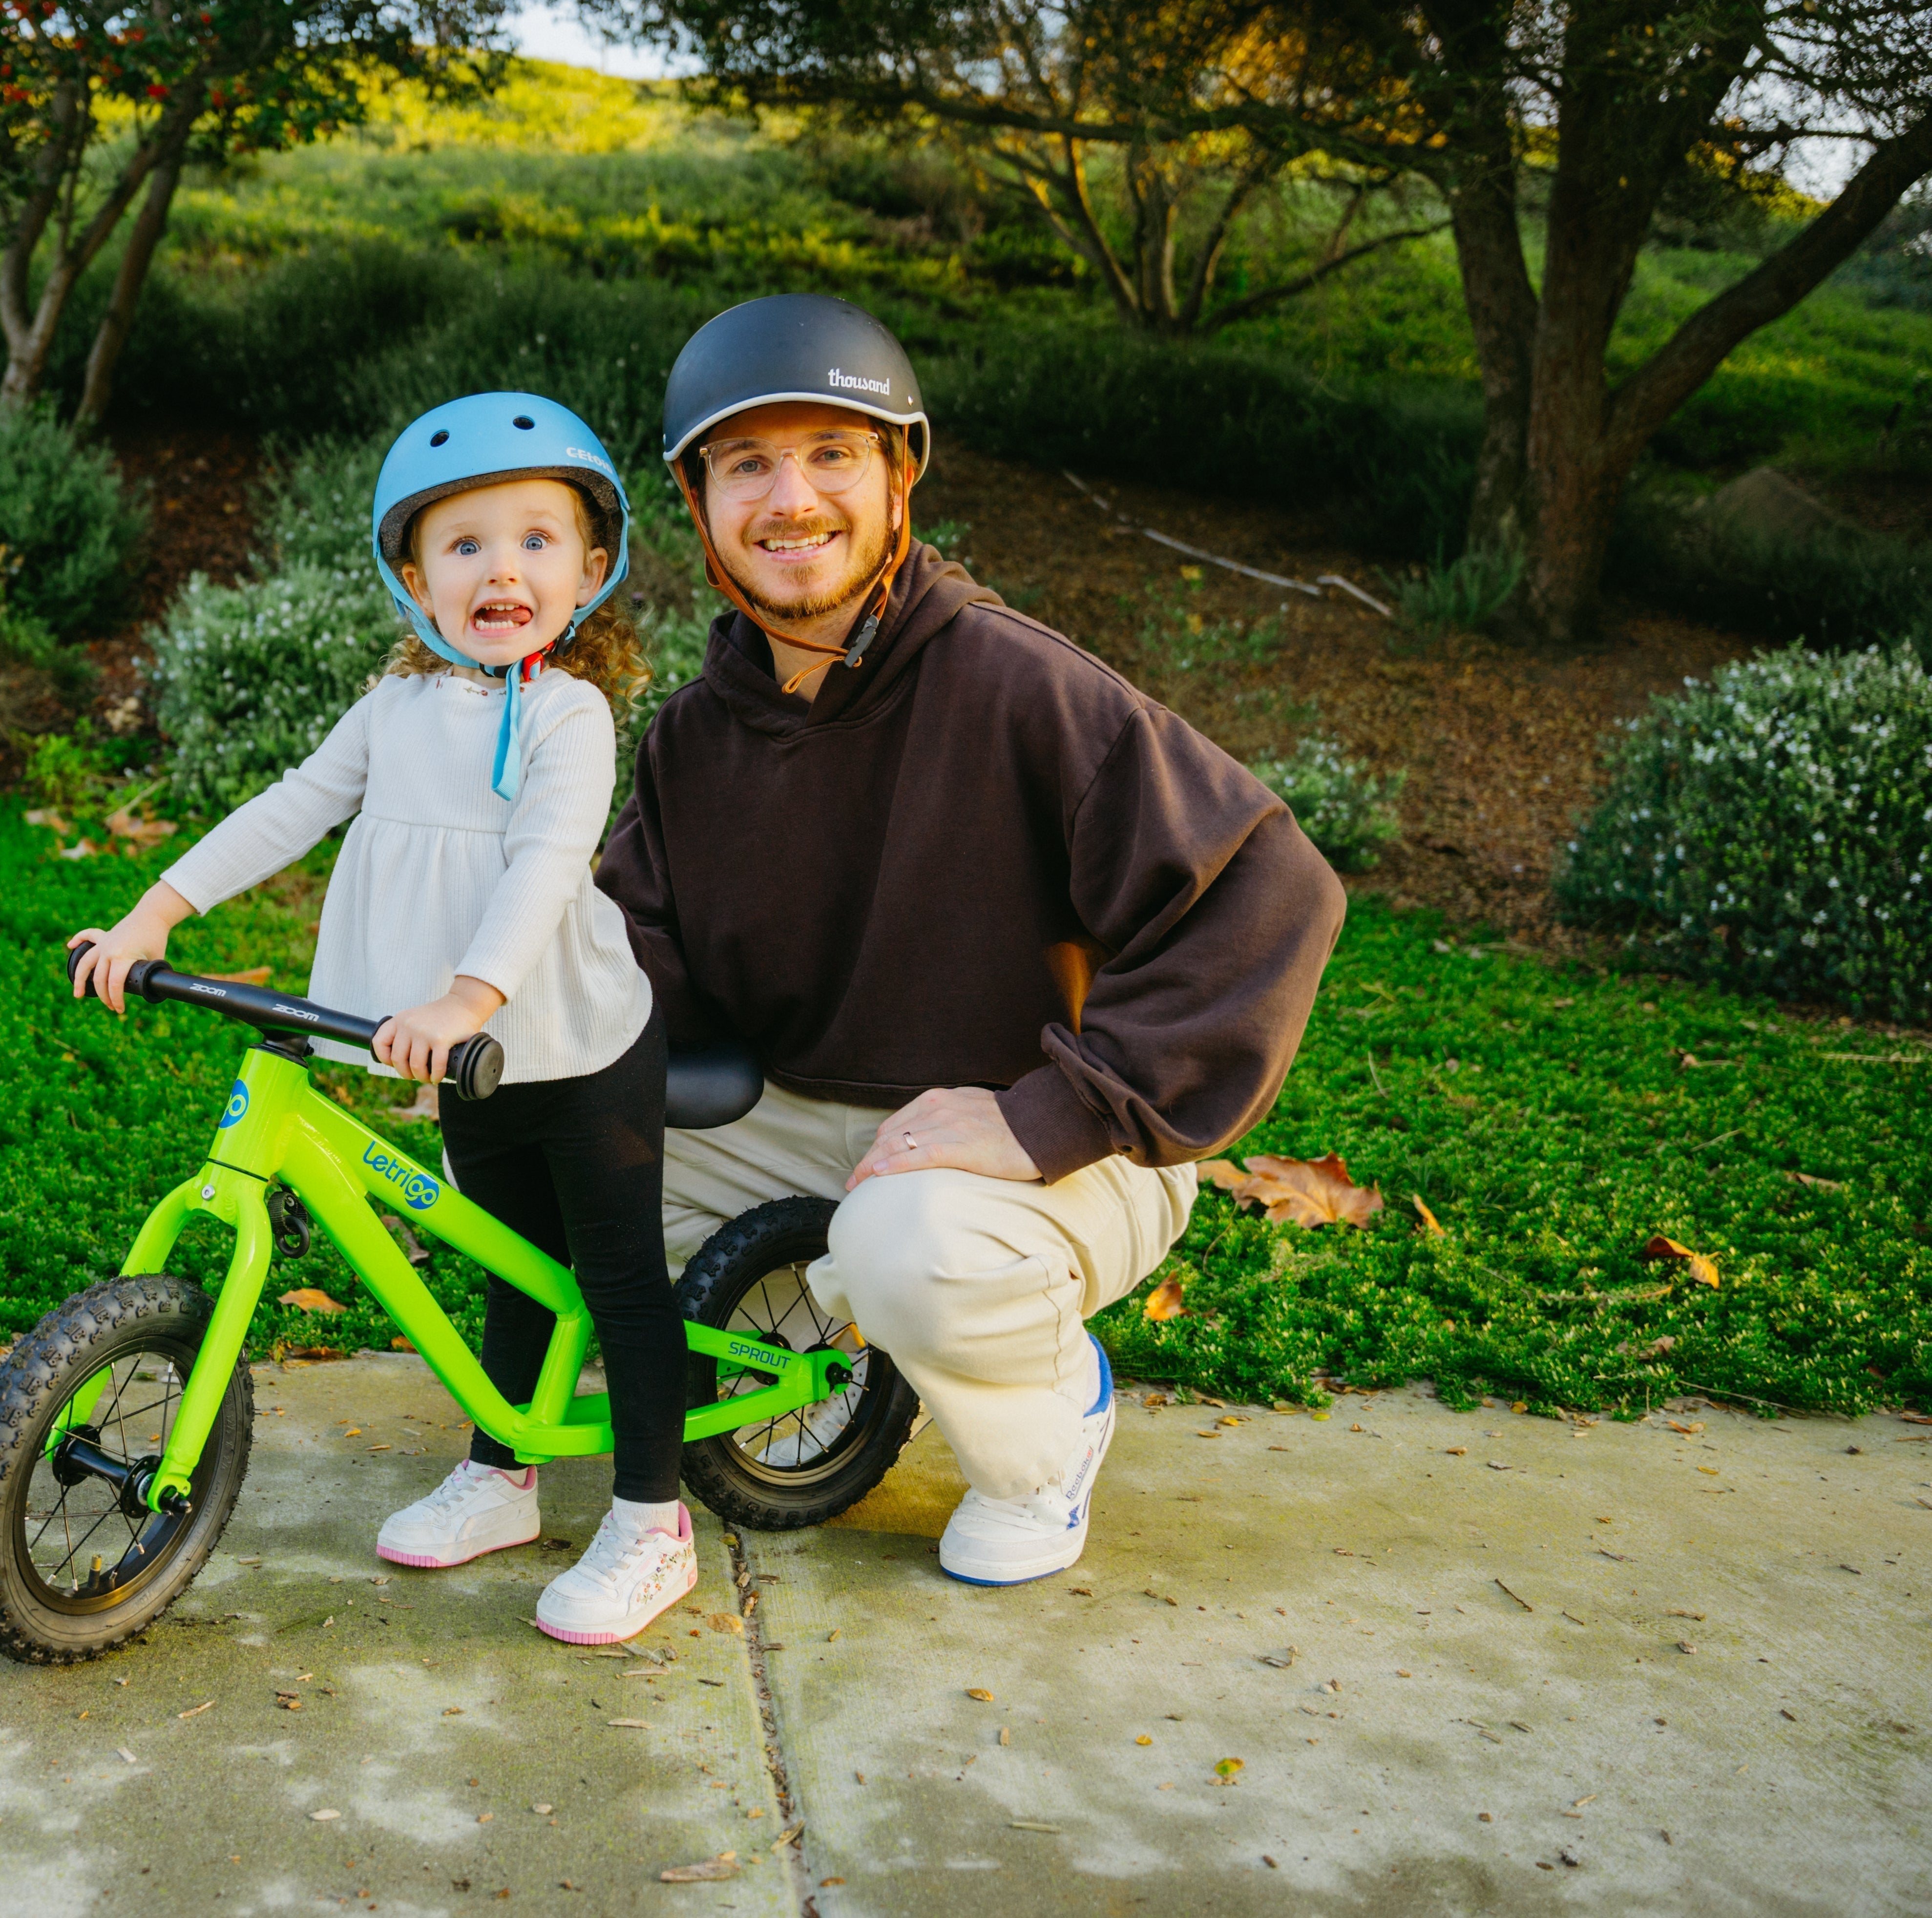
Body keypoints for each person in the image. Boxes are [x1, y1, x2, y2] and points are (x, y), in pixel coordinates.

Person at [598, 294, 1346, 1587]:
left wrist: (1050, 1112)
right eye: (747, 464)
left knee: (909, 1253)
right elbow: (633, 955)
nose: (791, 497)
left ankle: (1045, 1433)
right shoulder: (695, 736)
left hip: (1060, 1143)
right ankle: (839, 1342)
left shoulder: (1015, 683)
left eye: (833, 453)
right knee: (552, 1153)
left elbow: (1271, 890)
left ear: (900, 477)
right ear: (696, 501)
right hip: (811, 1119)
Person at [67, 393, 698, 1645]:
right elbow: (288, 807)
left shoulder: (574, 714)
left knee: (616, 1275)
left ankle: (652, 1516)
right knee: (509, 1259)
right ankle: (501, 1474)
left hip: (570, 1042)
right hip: (464, 1057)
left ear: (589, 569)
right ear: (414, 575)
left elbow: (545, 860)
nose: (502, 567)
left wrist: (469, 993)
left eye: (535, 539)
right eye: (465, 544)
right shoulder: (393, 710)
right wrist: (156, 913)